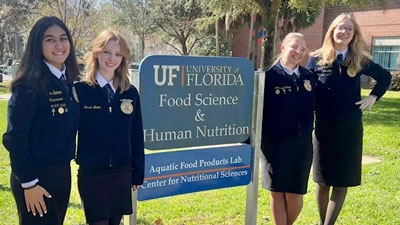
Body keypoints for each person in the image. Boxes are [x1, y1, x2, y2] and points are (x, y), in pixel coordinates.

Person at [306, 14, 392, 225]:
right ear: (332, 31)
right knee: (322, 180)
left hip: (350, 128)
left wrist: (373, 96)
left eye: (349, 30)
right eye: (340, 28)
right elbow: (306, 86)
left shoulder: (359, 58)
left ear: (354, 35)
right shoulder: (316, 58)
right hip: (324, 127)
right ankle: (321, 221)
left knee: (341, 181)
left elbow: (385, 77)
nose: (344, 32)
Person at [2, 16, 80, 225]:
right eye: (50, 39)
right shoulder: (29, 83)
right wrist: (29, 184)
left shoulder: (66, 80)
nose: (59, 45)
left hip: (61, 172)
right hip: (36, 177)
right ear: (38, 44)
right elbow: (15, 138)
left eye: (63, 38)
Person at [73, 29, 145, 225]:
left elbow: (136, 135)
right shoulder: (81, 91)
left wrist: (137, 173)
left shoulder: (130, 93)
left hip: (122, 173)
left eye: (118, 54)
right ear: (96, 53)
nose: (112, 58)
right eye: (107, 52)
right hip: (92, 174)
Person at [261, 32, 315, 225]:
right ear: (283, 47)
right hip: (274, 144)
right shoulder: (267, 77)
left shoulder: (309, 77)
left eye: (303, 49)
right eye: (294, 47)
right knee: (277, 192)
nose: (299, 52)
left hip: (301, 144)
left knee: (295, 194)